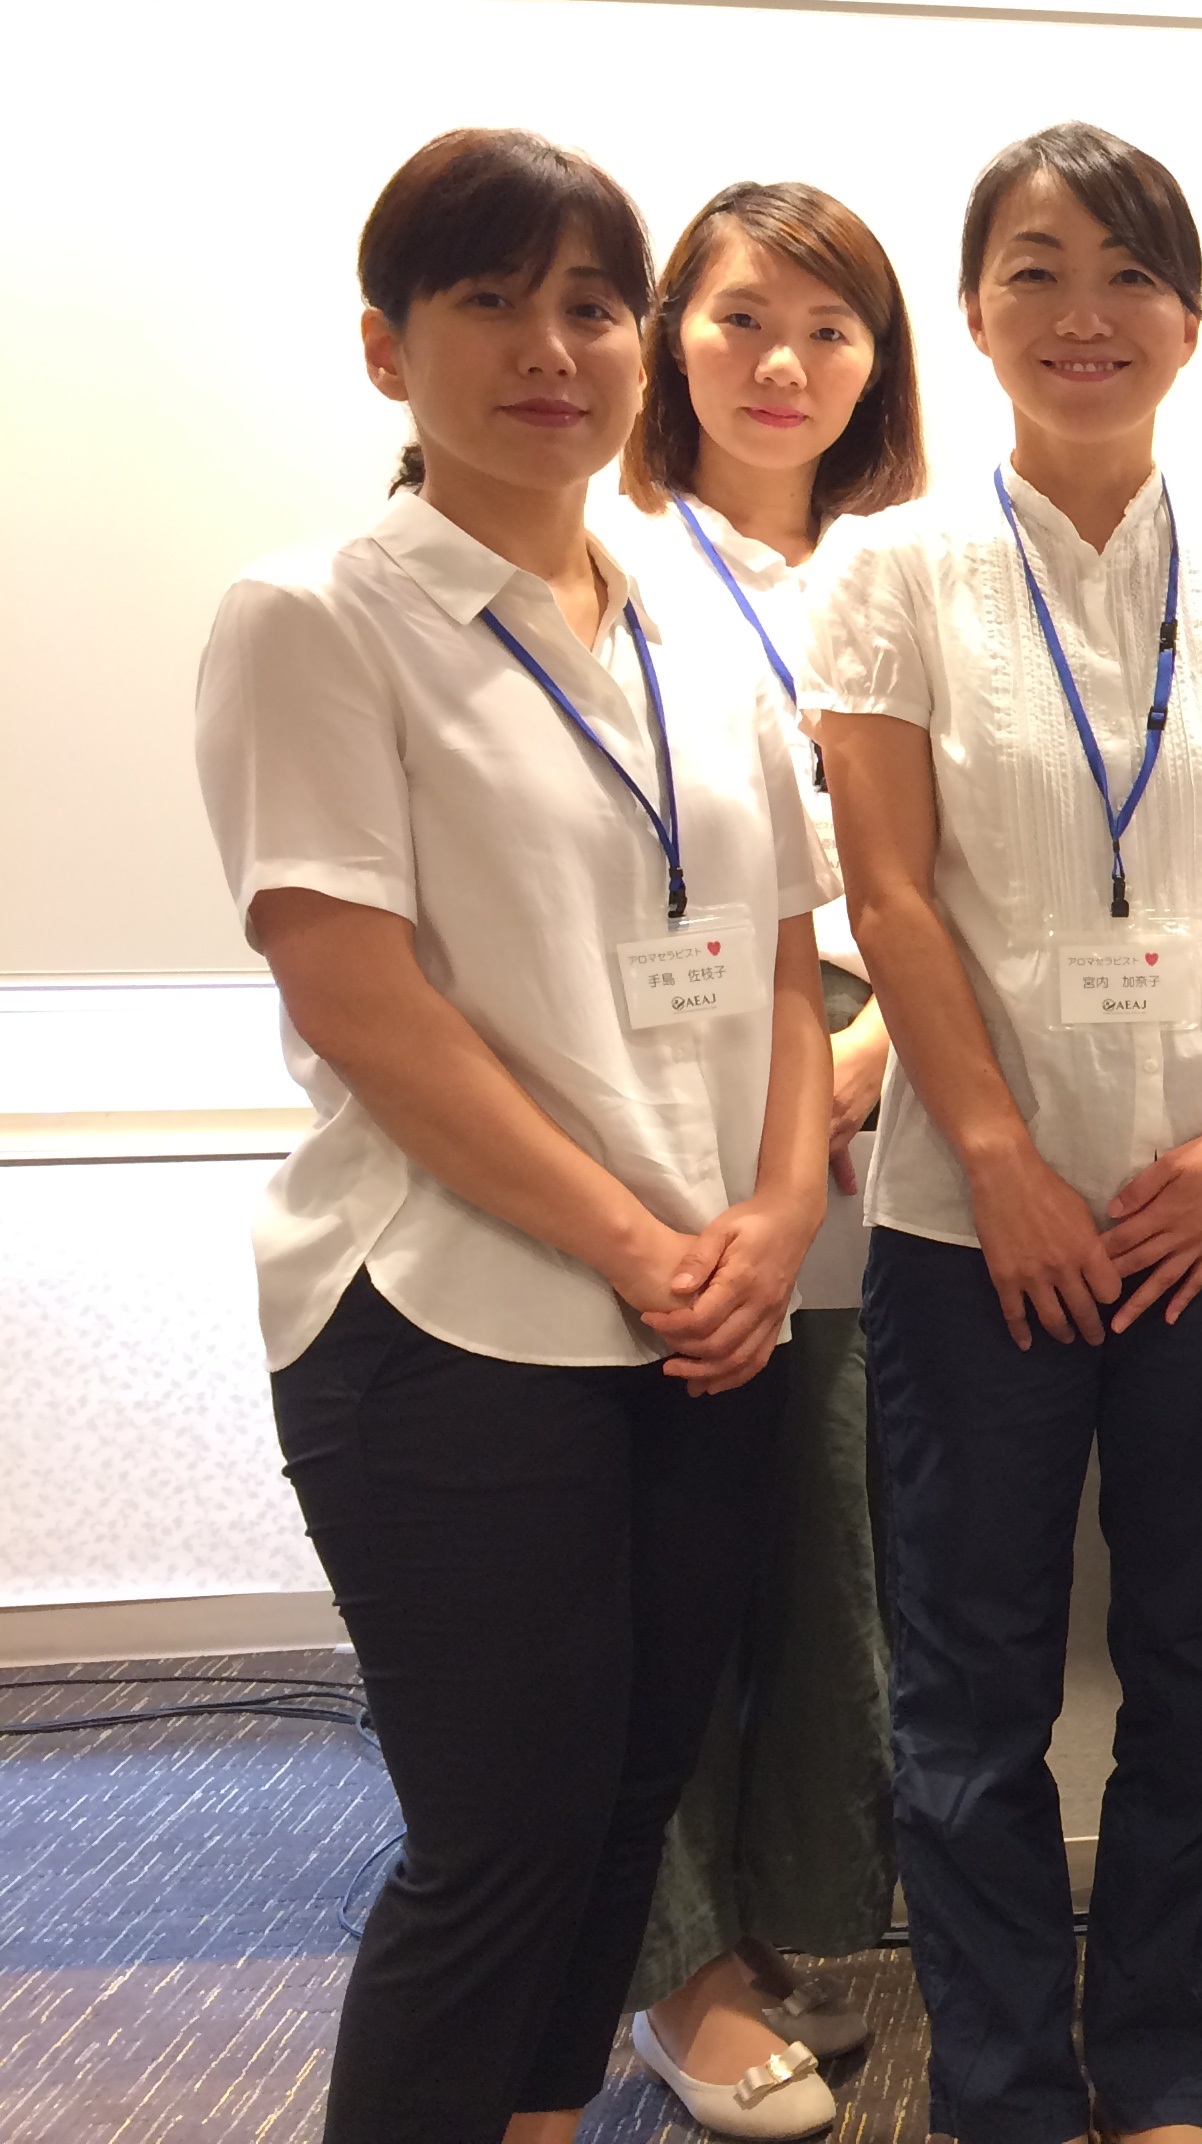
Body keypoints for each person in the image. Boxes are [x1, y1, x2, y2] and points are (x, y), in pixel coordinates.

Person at [191, 128, 833, 2144]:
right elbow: (357, 994)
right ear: (388, 350)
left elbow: (787, 963)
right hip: (451, 1316)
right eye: (490, 302)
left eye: (589, 305)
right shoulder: (319, 616)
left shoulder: (699, 628)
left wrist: (775, 1215)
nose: (553, 349)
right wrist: (645, 1245)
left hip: (706, 1320)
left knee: (626, 1815)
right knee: (499, 1844)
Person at [805, 120, 1202, 2144]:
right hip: (976, 1219)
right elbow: (890, 894)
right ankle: (1010, 2092)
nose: (1083, 314)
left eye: (1128, 273)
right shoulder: (892, 571)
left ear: (1190, 320)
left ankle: (1182, 2075)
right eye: (1033, 272)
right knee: (970, 1682)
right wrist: (999, 1157)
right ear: (971, 315)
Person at [605, 179, 926, 2137]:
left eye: (827, 325)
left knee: (826, 1574)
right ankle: (676, 1974)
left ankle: (775, 1925)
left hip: (877, 1129)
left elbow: (964, 872)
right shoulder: (610, 562)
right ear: (670, 341)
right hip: (673, 1127)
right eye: (739, 318)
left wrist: (868, 1062)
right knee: (666, 1588)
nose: (782, 361)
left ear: (879, 360)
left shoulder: (913, 570)